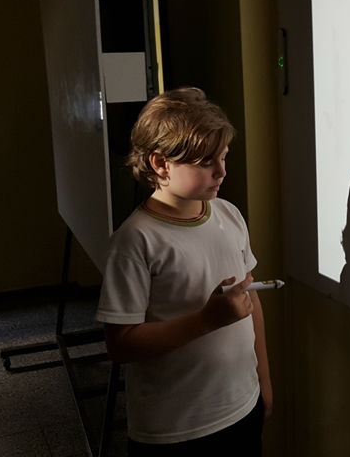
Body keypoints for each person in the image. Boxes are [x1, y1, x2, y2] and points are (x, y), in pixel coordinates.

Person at [96, 87, 271, 457]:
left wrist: (264, 380)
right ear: (161, 164)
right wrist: (206, 320)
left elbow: (250, 300)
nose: (222, 171)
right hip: (175, 431)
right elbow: (120, 344)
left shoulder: (228, 215)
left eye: (223, 157)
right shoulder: (136, 240)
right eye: (206, 162)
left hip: (242, 407)